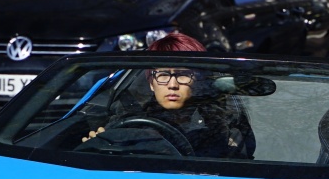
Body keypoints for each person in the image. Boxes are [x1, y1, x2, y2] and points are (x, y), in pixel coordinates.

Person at [80, 32, 253, 157]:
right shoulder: (126, 122)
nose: (172, 85)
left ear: (198, 81)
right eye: (163, 75)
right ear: (151, 84)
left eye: (182, 75)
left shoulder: (219, 126)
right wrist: (100, 144)